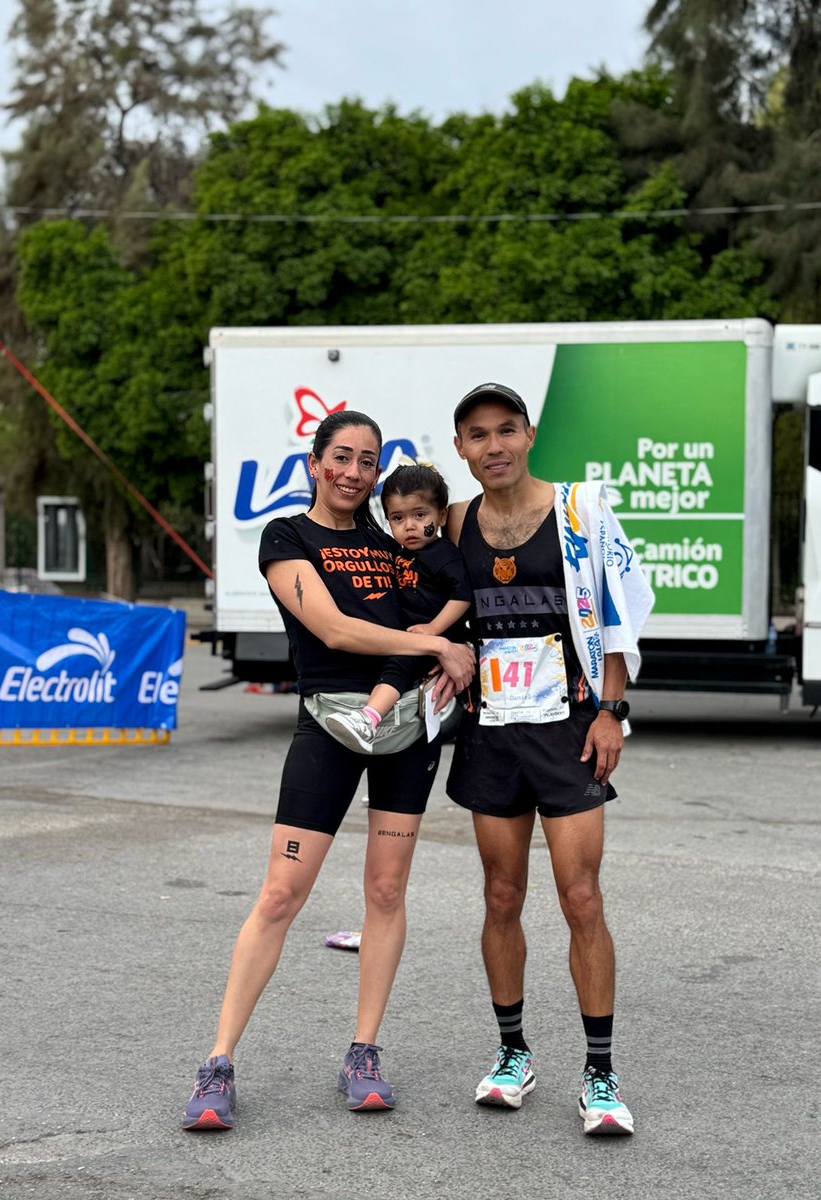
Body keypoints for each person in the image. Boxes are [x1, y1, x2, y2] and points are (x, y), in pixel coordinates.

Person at [181, 411, 474, 1130]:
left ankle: (363, 1051)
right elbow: (334, 630)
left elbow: (459, 573)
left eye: (367, 461)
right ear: (315, 463)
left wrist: (455, 648)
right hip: (331, 723)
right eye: (340, 456)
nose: (353, 471)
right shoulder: (288, 537)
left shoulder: (396, 536)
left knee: (385, 887)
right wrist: (437, 647)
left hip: (409, 728)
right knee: (281, 893)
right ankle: (217, 1063)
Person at [445, 382, 653, 1137]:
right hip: (491, 732)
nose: (494, 446)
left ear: (529, 435)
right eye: (477, 435)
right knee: (501, 896)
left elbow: (622, 613)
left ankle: (600, 1074)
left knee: (582, 897)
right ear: (461, 449)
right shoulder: (453, 522)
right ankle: (513, 1055)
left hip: (569, 730)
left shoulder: (580, 513)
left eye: (506, 430)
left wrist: (611, 711)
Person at [326, 462, 472, 754]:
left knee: (399, 666)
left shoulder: (443, 555)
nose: (409, 526)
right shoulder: (400, 554)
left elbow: (463, 596)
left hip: (435, 637)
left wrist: (432, 631)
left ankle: (368, 720)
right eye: (397, 518)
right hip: (413, 636)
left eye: (420, 515)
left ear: (441, 515)